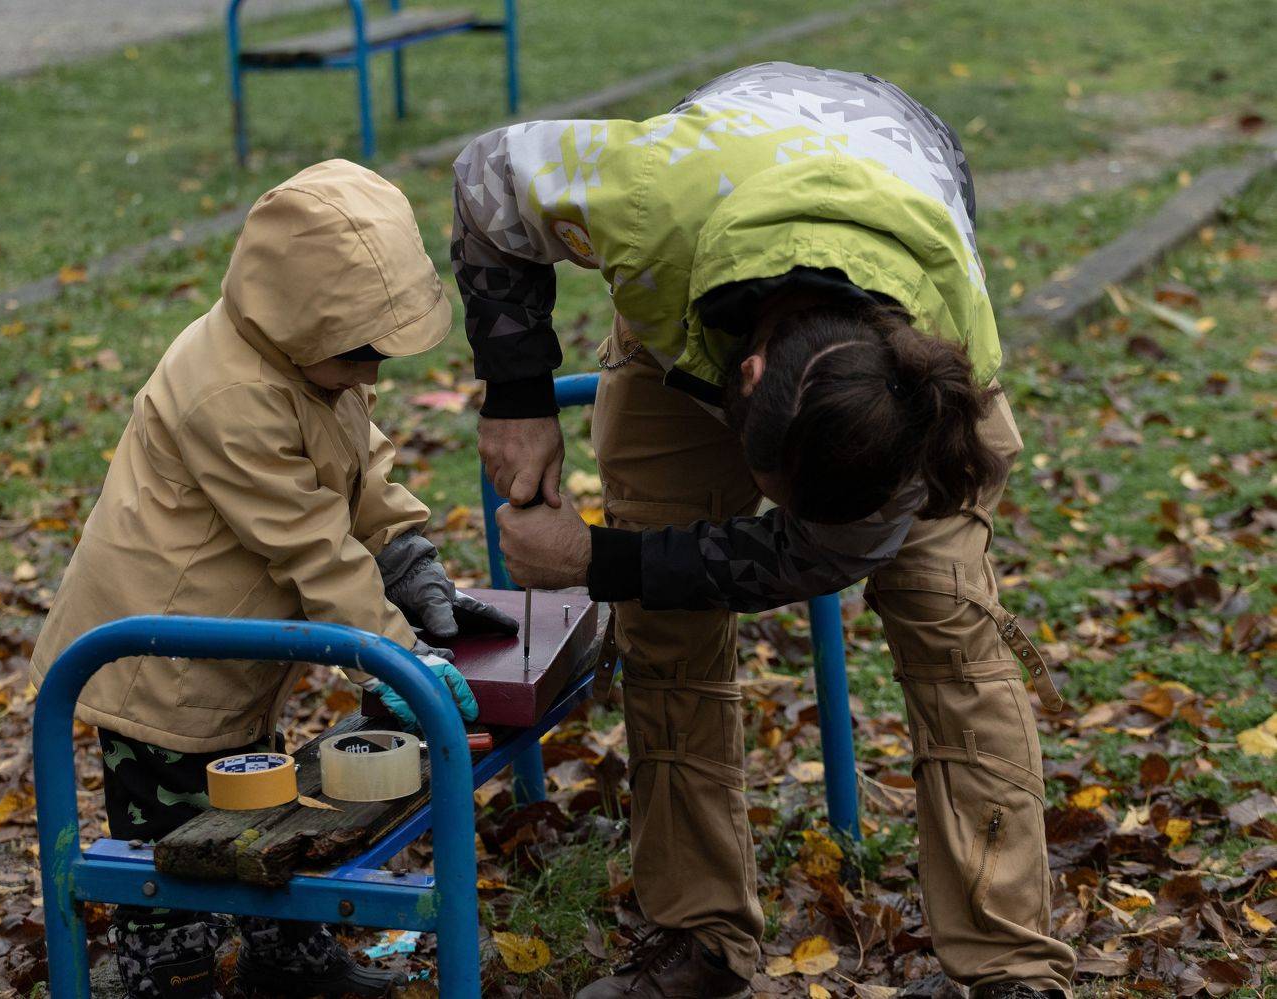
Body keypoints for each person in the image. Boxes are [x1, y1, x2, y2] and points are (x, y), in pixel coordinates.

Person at [451, 63, 1074, 999]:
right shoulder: (647, 196)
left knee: (951, 628)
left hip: (892, 228)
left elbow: (820, 555)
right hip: (700, 252)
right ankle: (697, 937)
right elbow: (484, 177)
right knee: (667, 632)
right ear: (742, 381)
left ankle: (1010, 965)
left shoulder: (935, 375)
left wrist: (598, 558)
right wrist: (517, 396)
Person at [28, 159, 515, 999]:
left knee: (256, 803)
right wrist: (396, 656)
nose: (371, 375)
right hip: (158, 660)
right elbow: (310, 542)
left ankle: (285, 953)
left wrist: (408, 558)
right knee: (168, 835)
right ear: (303, 321)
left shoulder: (312, 363)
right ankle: (168, 966)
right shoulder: (228, 393)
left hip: (233, 647)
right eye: (360, 354)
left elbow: (360, 471)